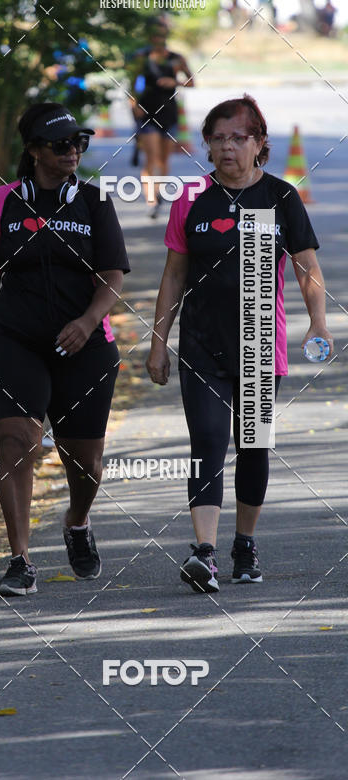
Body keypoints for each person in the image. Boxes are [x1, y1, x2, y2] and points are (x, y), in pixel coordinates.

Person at [146, 95, 333, 594]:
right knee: (206, 442)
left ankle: (244, 544)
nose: (228, 147)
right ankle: (204, 554)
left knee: (253, 447)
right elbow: (173, 275)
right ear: (206, 144)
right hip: (202, 345)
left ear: (259, 143)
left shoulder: (282, 198)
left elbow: (307, 266)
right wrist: (158, 342)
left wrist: (318, 322)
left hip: (258, 343)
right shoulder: (191, 199)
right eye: (218, 137)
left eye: (238, 137)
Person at [0, 103, 130, 596]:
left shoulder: (94, 201)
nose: (72, 151)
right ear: (33, 151)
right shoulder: (3, 203)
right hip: (15, 339)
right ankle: (19, 560)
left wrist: (89, 320)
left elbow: (113, 275)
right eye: (60, 144)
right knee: (15, 442)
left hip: (85, 343)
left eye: (78, 142)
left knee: (85, 461)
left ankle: (76, 521)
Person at [130, 25, 194, 218]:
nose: (158, 40)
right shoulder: (141, 58)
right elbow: (132, 85)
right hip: (147, 114)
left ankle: (158, 192)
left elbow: (191, 81)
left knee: (164, 159)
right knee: (151, 157)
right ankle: (151, 201)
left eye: (162, 36)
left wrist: (174, 82)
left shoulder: (176, 58)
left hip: (169, 114)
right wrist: (134, 105)